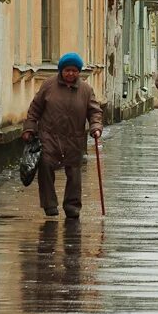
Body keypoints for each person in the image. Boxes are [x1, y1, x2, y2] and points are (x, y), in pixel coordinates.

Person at [22, 52, 103, 220]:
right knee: (45, 166)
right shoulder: (48, 85)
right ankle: (50, 205)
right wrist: (29, 128)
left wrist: (96, 127)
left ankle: (72, 206)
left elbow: (94, 111)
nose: (71, 74)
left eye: (74, 71)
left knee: (74, 173)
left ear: (79, 72)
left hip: (75, 138)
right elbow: (35, 108)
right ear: (61, 70)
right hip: (49, 136)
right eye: (67, 70)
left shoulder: (86, 90)